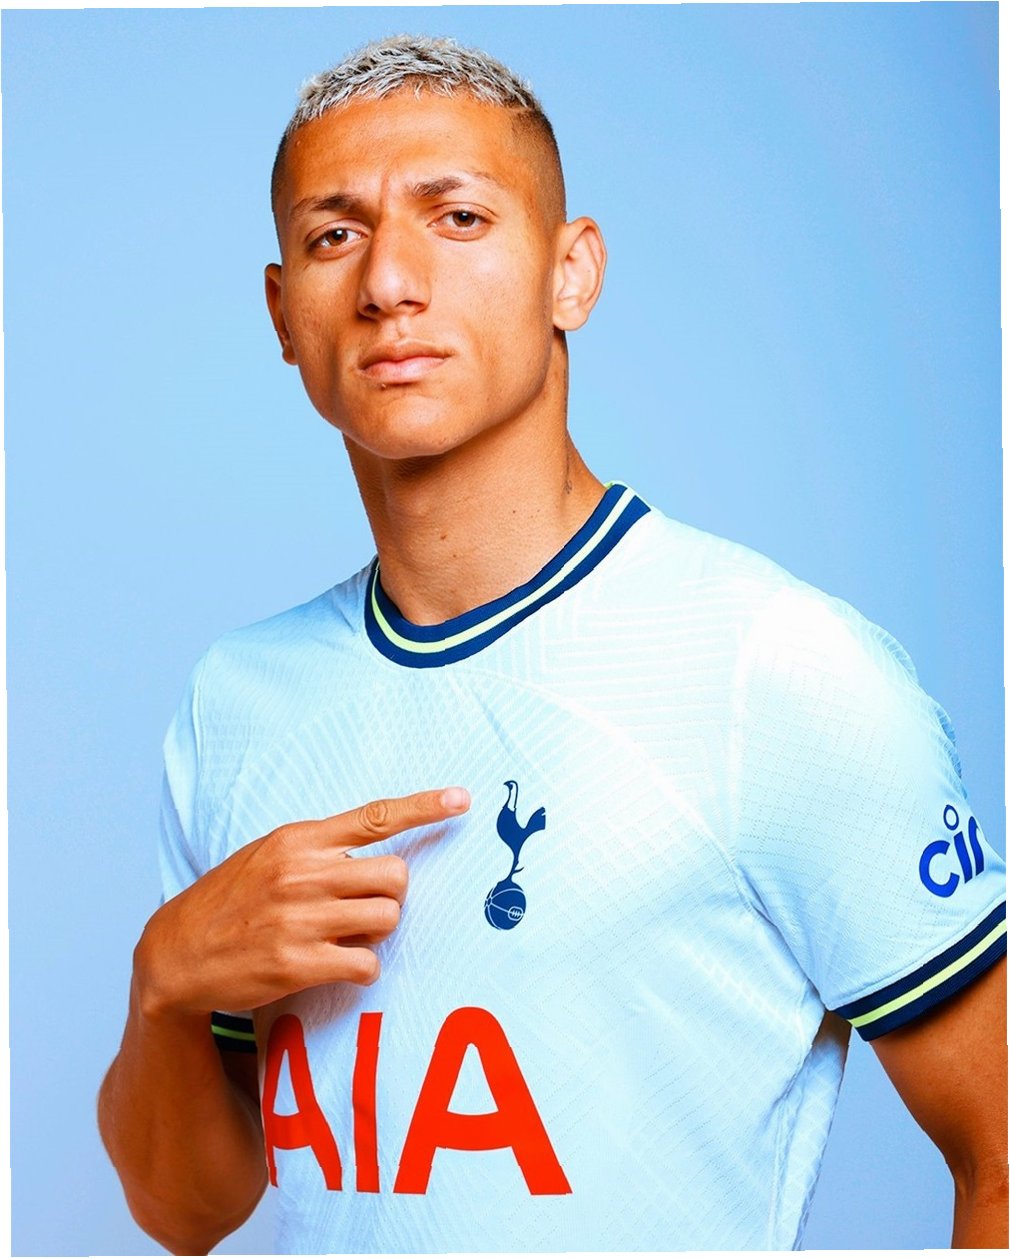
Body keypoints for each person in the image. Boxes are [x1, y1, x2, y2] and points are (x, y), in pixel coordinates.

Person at [98, 34, 1007, 1254]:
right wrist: (165, 982)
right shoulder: (237, 703)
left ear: (570, 273)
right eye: (335, 234)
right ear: (282, 313)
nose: (389, 282)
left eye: (457, 218)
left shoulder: (773, 669)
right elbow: (186, 1211)